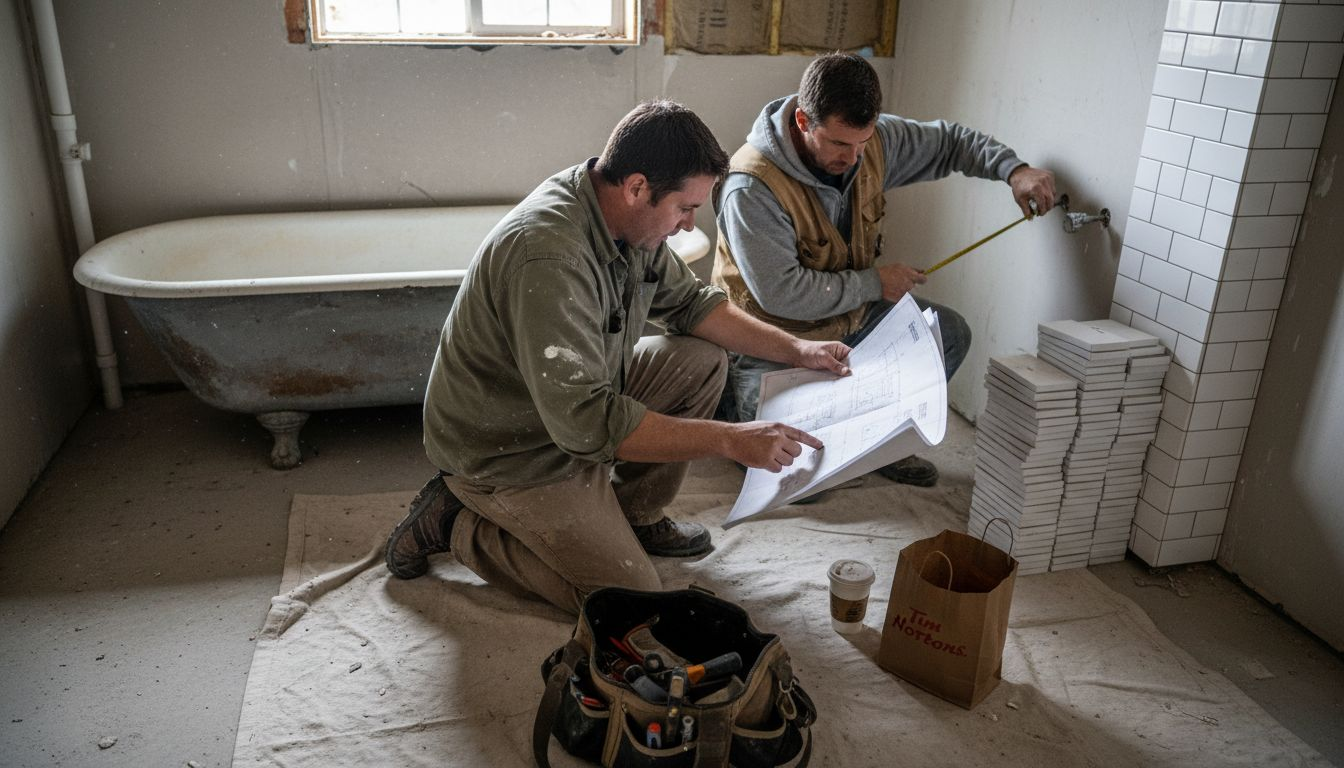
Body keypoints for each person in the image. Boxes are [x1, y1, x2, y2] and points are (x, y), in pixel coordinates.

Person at [385, 100, 855, 614]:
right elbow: (587, 423)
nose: (687, 224)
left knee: (701, 360)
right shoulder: (549, 255)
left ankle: (634, 513)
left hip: (572, 402)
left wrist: (799, 349)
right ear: (636, 187)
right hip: (508, 445)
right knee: (627, 599)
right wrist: (729, 439)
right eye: (684, 208)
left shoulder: (625, 217)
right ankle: (458, 522)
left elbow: (693, 305)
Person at [713, 52, 1057, 488]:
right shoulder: (751, 186)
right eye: (839, 144)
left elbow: (950, 142)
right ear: (803, 121)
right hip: (772, 341)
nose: (854, 157)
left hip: (845, 320)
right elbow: (781, 294)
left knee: (947, 334)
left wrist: (1014, 170)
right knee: (794, 482)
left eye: (863, 141)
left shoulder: (869, 143)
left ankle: (878, 445)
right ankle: (733, 402)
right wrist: (876, 282)